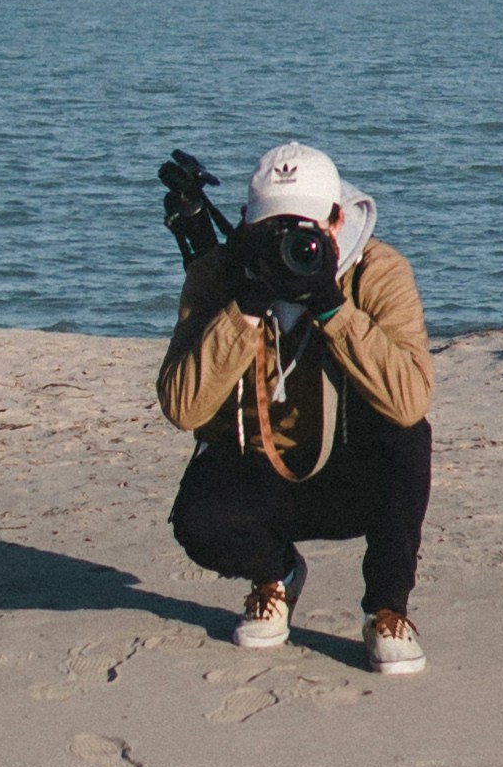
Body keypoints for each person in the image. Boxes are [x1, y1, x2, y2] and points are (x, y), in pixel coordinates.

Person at [157, 139, 433, 672]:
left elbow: (409, 398)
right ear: (245, 222)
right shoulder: (221, 274)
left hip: (350, 474)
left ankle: (387, 610)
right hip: (259, 473)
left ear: (335, 220)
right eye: (271, 230)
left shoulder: (376, 271)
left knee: (409, 436)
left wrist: (333, 306)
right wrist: (245, 307)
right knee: (197, 518)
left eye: (303, 231)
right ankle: (274, 575)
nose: (288, 244)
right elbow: (182, 407)